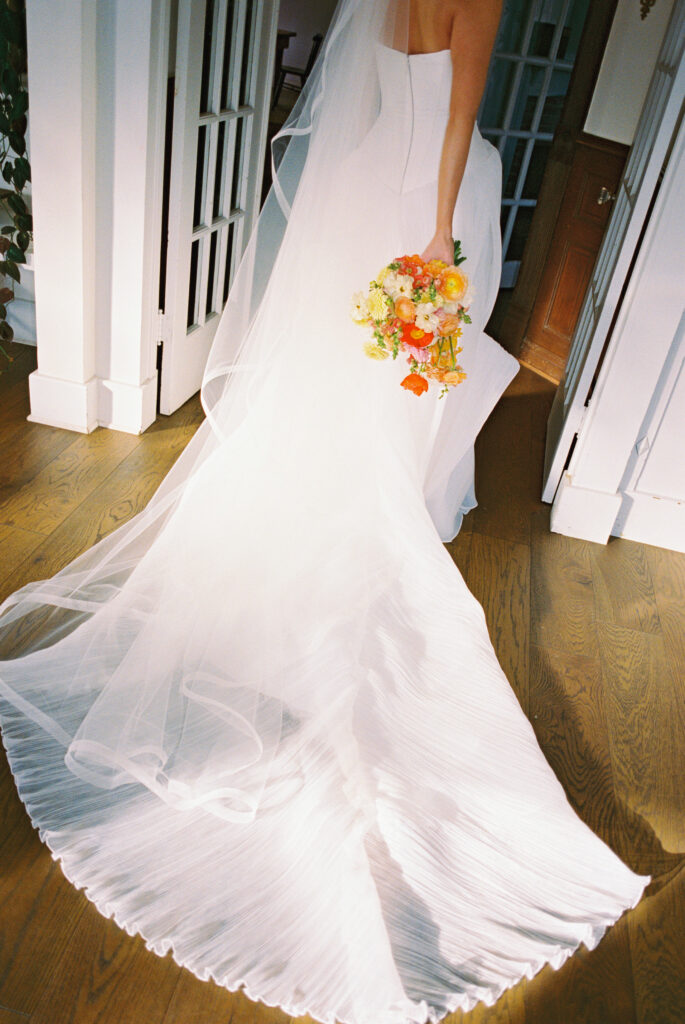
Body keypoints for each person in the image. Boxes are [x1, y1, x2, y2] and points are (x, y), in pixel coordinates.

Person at [0, 2, 649, 1022]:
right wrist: (436, 238)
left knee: (334, 391)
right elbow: (453, 120)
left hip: (354, 186)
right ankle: (385, 518)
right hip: (420, 202)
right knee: (399, 393)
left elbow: (372, 98)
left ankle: (343, 518)